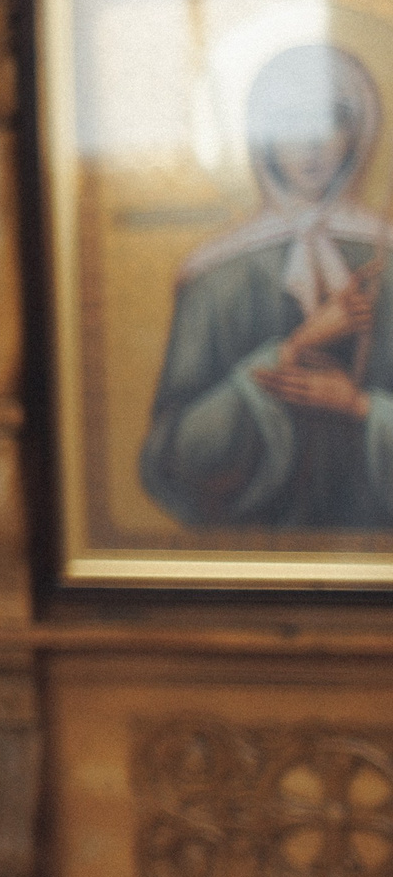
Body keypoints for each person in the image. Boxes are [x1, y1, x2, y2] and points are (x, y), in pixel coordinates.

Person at [141, 41, 393, 528]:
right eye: (290, 125)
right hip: (252, 547)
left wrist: (360, 406)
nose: (312, 146)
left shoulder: (386, 256)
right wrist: (294, 348)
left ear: (358, 133)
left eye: (331, 122)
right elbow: (173, 457)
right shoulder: (214, 276)